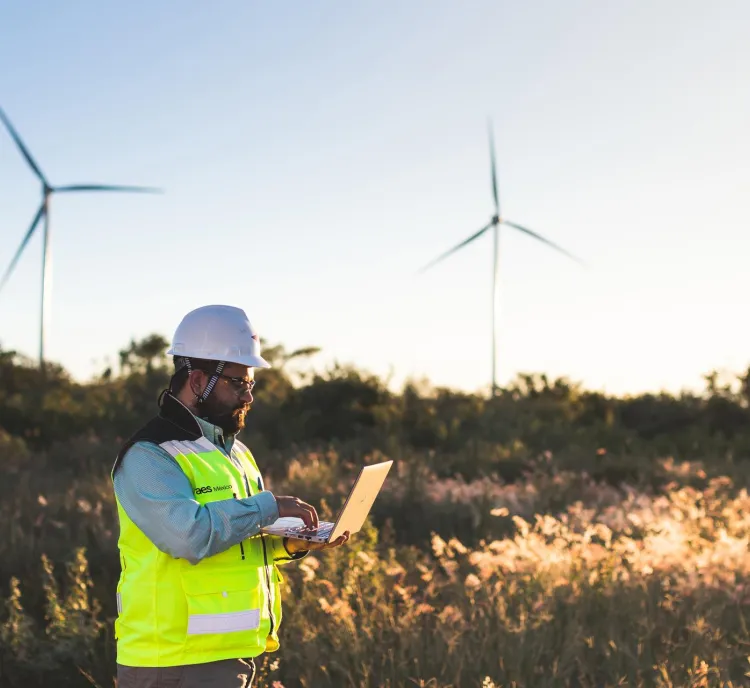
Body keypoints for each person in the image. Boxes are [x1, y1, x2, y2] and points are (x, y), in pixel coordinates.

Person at [111, 304, 349, 688]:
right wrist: (268, 506)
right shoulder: (149, 455)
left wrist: (293, 543)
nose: (248, 396)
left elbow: (239, 540)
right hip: (171, 663)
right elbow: (188, 537)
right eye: (238, 383)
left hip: (232, 656)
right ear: (198, 379)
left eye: (251, 383)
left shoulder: (234, 453)